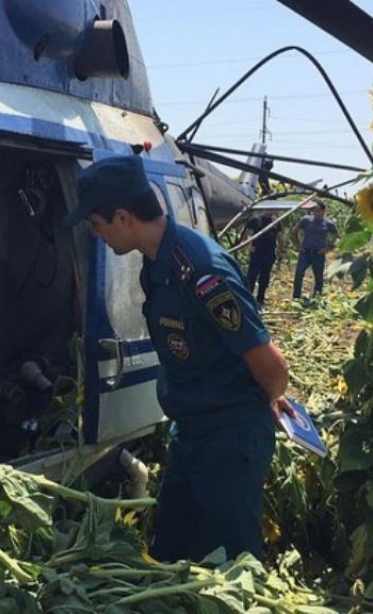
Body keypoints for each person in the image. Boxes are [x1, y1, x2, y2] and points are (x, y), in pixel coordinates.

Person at [64, 155, 291, 563]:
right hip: (192, 433)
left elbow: (271, 365)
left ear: (122, 217)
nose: (96, 235)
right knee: (171, 551)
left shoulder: (201, 270)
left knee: (231, 563)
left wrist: (268, 401)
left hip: (230, 440)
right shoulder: (155, 266)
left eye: (96, 224)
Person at [291, 201, 338, 299]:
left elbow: (337, 237)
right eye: (314, 211)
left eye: (318, 211)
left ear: (324, 211)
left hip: (318, 254)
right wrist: (297, 245)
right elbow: (294, 231)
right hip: (305, 252)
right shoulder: (306, 220)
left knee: (319, 277)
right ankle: (296, 297)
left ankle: (316, 298)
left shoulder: (328, 223)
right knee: (299, 274)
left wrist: (328, 248)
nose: (316, 213)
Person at [241, 211, 282, 306]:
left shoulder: (276, 221)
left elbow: (279, 236)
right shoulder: (255, 219)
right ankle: (247, 299)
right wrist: (248, 247)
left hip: (269, 254)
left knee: (264, 278)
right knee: (251, 276)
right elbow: (245, 234)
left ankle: (260, 298)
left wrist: (281, 250)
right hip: (256, 254)